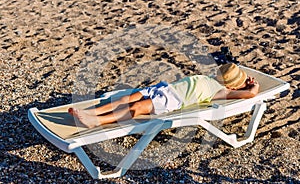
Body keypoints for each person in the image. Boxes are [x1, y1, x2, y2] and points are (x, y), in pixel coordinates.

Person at [69, 63, 259, 128]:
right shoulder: (213, 78)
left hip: (171, 100)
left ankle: (97, 122)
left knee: (136, 108)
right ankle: (91, 112)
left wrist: (251, 86)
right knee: (127, 98)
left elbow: (249, 94)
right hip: (163, 88)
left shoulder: (222, 91)